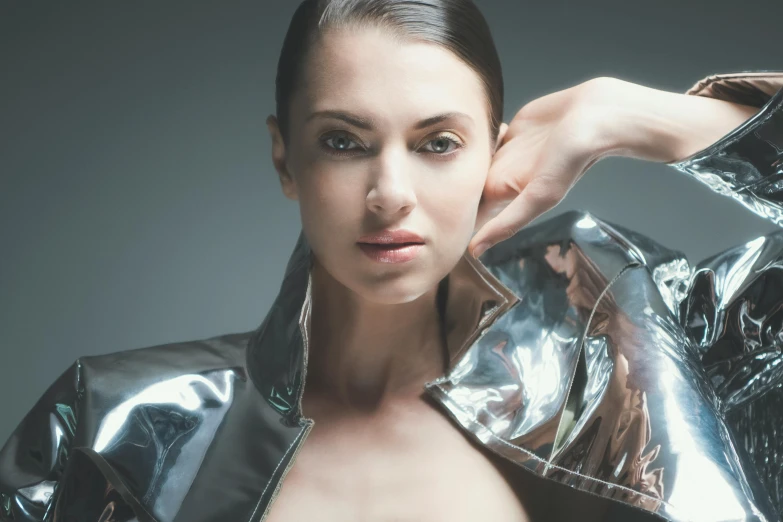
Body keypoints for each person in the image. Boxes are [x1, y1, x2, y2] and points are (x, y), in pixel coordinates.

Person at [1, 1, 781, 521]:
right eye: (343, 141)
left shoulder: (636, 365)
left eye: (437, 143)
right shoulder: (118, 427)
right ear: (284, 158)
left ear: (495, 150)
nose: (389, 194)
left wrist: (635, 115)